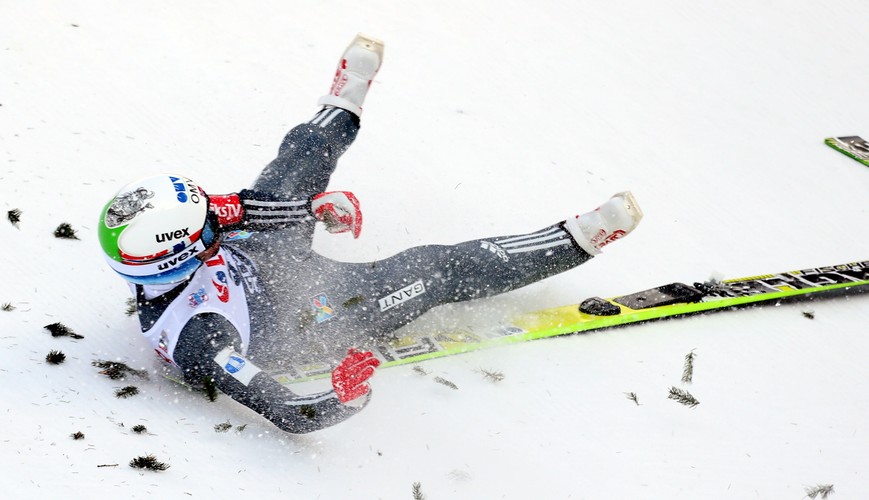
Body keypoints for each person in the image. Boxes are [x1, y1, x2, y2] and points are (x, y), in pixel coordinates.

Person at [98, 34, 643, 434]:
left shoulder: (178, 241)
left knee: (293, 168)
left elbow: (233, 215)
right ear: (182, 249)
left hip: (255, 264)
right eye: (202, 222)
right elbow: (291, 412)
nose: (213, 213)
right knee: (431, 268)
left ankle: (343, 99)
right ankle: (583, 237)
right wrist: (343, 396)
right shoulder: (202, 339)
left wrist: (313, 207)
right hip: (307, 315)